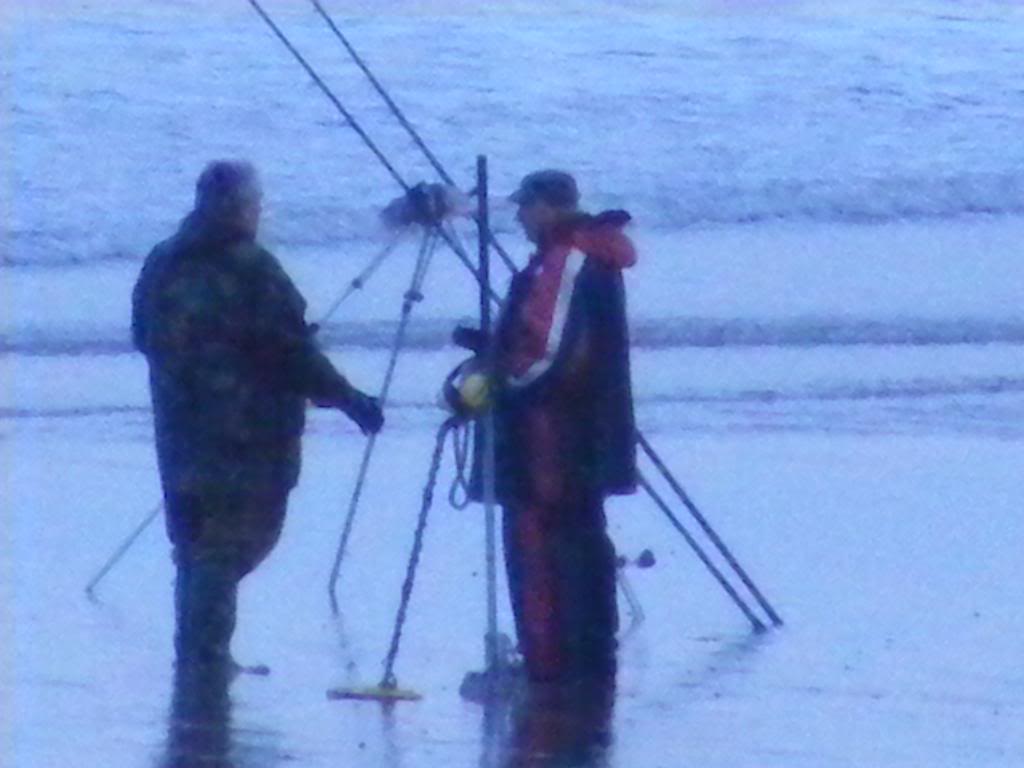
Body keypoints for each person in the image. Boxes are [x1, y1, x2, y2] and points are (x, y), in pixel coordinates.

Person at [132, 160, 383, 674]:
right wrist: (350, 399)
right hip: (247, 436)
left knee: (197, 540)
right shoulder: (252, 268)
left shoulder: (162, 260)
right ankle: (206, 655)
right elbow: (291, 353)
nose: (257, 212)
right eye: (254, 203)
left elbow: (142, 334)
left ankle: (199, 653)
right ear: (241, 207)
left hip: (179, 430)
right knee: (233, 543)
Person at [461, 169, 638, 686]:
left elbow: (546, 352)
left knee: (541, 544)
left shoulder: (568, 259)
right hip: (581, 434)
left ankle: (549, 662)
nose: (517, 217)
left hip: (550, 436)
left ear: (548, 207)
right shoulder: (583, 257)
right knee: (581, 539)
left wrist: (495, 380)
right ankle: (583, 657)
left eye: (525, 207)